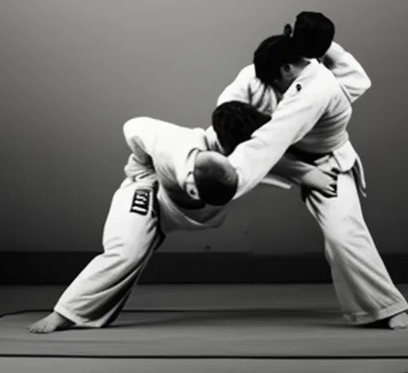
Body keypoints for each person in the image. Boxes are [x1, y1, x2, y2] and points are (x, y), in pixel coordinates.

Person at [29, 112, 336, 333]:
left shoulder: (248, 158)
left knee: (267, 182)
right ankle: (65, 313)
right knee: (127, 252)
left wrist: (307, 175)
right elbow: (133, 126)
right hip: (152, 194)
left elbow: (276, 160)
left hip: (193, 214)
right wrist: (140, 167)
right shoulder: (174, 144)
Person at [218, 12, 408, 330]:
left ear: (287, 68)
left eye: (274, 80)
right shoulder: (256, 76)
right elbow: (226, 117)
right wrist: (297, 171)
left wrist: (324, 45)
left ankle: (386, 308)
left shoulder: (323, 86)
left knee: (344, 234)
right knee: (196, 165)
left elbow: (359, 81)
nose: (270, 87)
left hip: (327, 162)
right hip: (271, 153)